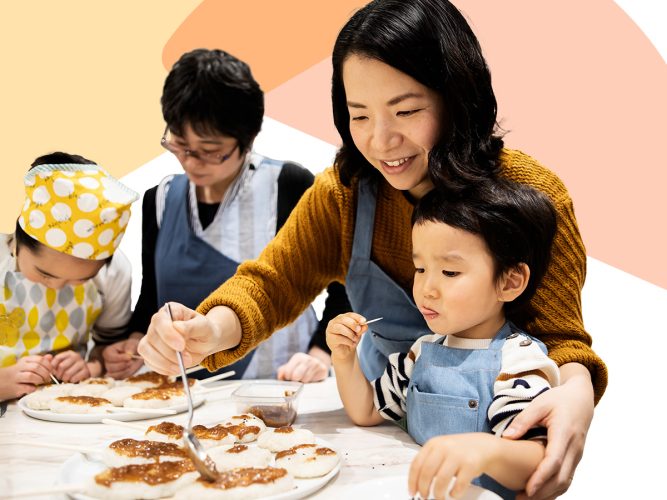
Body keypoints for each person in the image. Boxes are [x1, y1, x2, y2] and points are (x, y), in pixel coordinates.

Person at [139, 1, 606, 497]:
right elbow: (273, 282)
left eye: (406, 111)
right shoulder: (346, 191)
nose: (381, 141)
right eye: (359, 115)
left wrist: (576, 391)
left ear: (456, 97)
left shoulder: (531, 195)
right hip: (376, 454)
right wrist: (208, 330)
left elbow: (561, 340)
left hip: (489, 461)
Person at [104, 48, 350, 381]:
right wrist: (134, 343)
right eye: (180, 146)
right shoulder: (159, 200)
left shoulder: (287, 186)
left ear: (246, 140)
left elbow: (344, 285)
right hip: (182, 391)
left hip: (278, 382)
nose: (191, 162)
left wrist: (321, 354)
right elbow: (152, 297)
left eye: (210, 151)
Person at [327, 181, 560, 499]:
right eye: (420, 268)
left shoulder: (518, 360)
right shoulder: (422, 351)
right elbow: (366, 409)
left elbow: (537, 459)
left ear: (509, 282)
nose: (426, 288)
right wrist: (343, 357)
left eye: (450, 272)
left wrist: (485, 450)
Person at [0, 152, 137, 401]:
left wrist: (91, 367)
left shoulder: (114, 273)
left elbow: (107, 349)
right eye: (44, 273)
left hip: (69, 408)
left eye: (81, 280)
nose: (55, 287)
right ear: (19, 241)